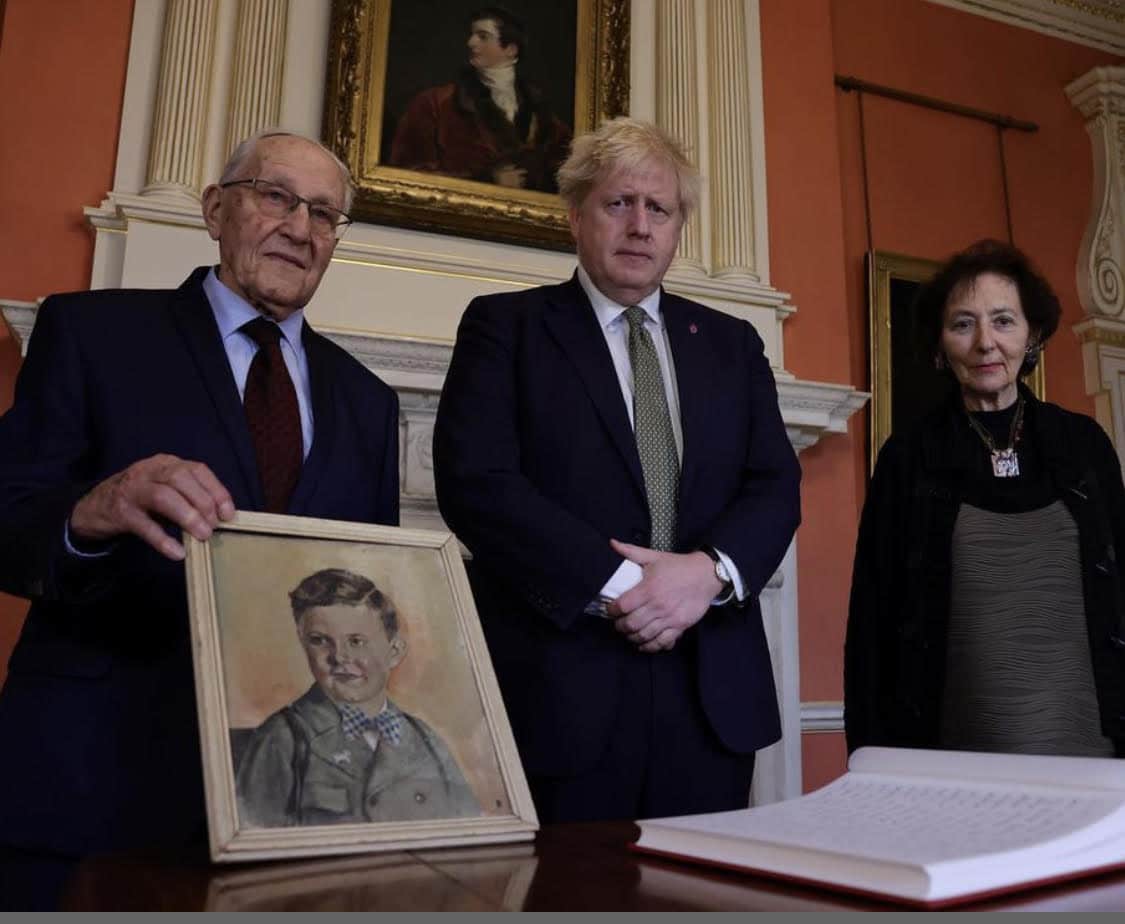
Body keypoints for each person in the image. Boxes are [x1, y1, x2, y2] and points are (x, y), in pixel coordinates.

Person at [0, 130, 401, 908]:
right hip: (92, 772)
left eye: (324, 214)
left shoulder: (369, 403)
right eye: (276, 196)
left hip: (280, 799)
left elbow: (361, 588)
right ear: (217, 210)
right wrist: (92, 510)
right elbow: (6, 517)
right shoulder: (92, 334)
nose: (300, 226)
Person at [432, 117, 801, 823]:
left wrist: (708, 573)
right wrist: (633, 587)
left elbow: (773, 484)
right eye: (617, 203)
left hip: (710, 693)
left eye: (657, 208)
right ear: (575, 216)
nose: (639, 226)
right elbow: (477, 481)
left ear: (677, 227)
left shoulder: (730, 343)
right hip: (559, 689)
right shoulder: (505, 327)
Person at [845, 239, 1125, 758]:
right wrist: (871, 762)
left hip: (1093, 750)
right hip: (953, 760)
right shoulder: (909, 457)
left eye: (1003, 320)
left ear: (1032, 334)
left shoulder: (1083, 445)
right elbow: (872, 622)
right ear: (939, 342)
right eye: (962, 324)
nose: (985, 343)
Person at [236, 568, 479, 827]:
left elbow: (470, 830)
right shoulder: (283, 738)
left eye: (356, 641)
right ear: (303, 644)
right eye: (319, 640)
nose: (339, 656)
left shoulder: (425, 739)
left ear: (394, 652)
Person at [388, 6, 572, 192]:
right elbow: (407, 175)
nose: (471, 42)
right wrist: (487, 181)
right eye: (472, 35)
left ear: (510, 49)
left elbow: (567, 178)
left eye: (483, 36)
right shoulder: (434, 103)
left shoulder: (541, 115)